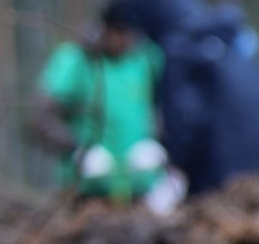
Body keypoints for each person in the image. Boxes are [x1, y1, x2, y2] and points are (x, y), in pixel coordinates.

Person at [102, 0, 259, 195]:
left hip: (219, 176)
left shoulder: (181, 48)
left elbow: (186, 120)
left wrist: (173, 163)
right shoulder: (221, 36)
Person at [31, 14, 178, 208]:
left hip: (140, 192)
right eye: (121, 32)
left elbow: (168, 109)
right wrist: (78, 151)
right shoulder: (76, 61)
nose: (126, 40)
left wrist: (160, 148)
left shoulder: (145, 60)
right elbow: (42, 117)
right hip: (84, 195)